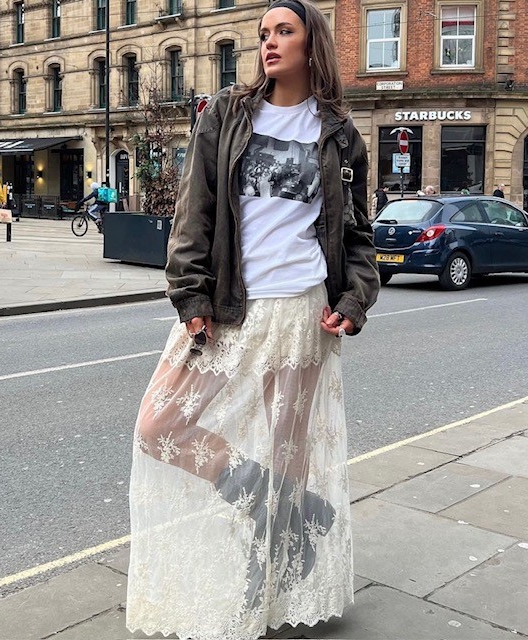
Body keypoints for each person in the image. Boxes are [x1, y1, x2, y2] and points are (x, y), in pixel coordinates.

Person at [126, 1, 380, 638]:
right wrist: (192, 299)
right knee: (158, 425)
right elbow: (194, 217)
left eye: (283, 32)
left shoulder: (340, 135)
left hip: (302, 312)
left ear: (309, 42)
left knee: (288, 452)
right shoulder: (228, 117)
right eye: (263, 33)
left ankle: (265, 580)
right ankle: (279, 509)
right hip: (233, 309)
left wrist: (353, 303)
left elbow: (357, 236)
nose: (269, 43)